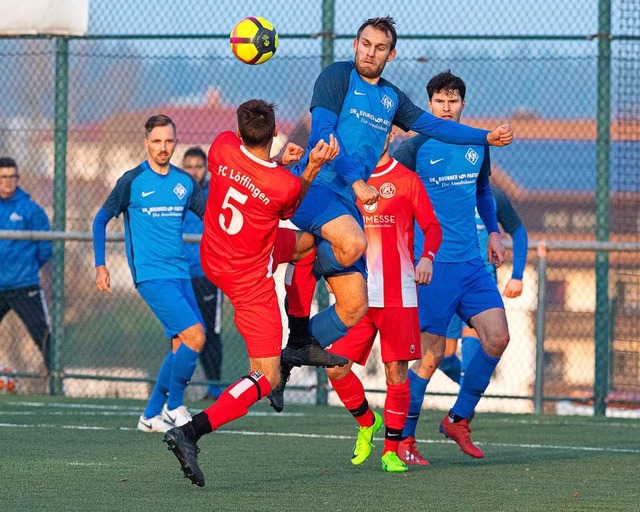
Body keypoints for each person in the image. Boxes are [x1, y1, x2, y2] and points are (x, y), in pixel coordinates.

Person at [278, 17, 513, 385]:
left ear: (392, 53)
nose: (371, 52)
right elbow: (323, 134)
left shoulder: (391, 98)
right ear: (355, 44)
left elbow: (436, 126)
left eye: (380, 47)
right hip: (317, 188)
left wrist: (486, 137)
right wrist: (357, 182)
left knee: (355, 305)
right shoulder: (337, 76)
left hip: (346, 204)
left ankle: (293, 348)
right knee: (351, 244)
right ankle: (287, 257)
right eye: (365, 44)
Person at [162, 99, 341, 487]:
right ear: (274, 132)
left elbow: (256, 179)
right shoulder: (284, 183)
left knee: (306, 245)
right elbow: (290, 198)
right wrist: (309, 165)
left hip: (215, 254)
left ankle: (298, 336)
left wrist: (279, 161)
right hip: (248, 280)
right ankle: (189, 433)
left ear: (241, 131)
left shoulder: (222, 145)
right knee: (267, 377)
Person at [394, 70, 511, 463]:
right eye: (440, 102)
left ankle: (457, 419)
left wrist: (493, 232)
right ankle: (403, 441)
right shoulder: (413, 148)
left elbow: (482, 190)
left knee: (497, 338)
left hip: (473, 265)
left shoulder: (479, 143)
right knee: (429, 357)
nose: (447, 108)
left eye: (453, 101)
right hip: (433, 266)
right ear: (429, 105)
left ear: (463, 104)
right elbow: (390, 195)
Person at [324, 131, 441, 473]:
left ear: (391, 132)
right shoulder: (345, 179)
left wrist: (427, 257)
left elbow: (432, 227)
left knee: (396, 373)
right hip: (356, 293)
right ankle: (366, 420)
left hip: (398, 293)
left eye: (382, 127)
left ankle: (391, 451)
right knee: (335, 366)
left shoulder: (407, 180)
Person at [93, 115, 206, 433]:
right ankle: (175, 406)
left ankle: (150, 415)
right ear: (146, 143)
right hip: (150, 275)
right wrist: (100, 265)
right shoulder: (131, 181)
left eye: (169, 141)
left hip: (181, 273)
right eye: (156, 141)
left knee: (179, 345)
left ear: (176, 142)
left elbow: (213, 216)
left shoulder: (185, 183)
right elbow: (100, 220)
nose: (163, 147)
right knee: (196, 336)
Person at [437, 187, 528, 387]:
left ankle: (463, 411)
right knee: (443, 356)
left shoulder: (493, 195)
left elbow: (518, 232)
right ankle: (469, 393)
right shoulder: (443, 189)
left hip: (480, 279)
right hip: (448, 278)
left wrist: (517, 276)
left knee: (471, 343)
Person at [0, 157, 52, 372]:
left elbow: (45, 248)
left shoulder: (30, 209)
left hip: (24, 285)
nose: (8, 181)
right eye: (3, 177)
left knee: (44, 337)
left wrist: (26, 269)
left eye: (13, 177)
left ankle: (56, 381)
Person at [181, 146, 225, 401]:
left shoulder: (215, 194)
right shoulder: (177, 194)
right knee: (180, 330)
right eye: (189, 166)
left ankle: (214, 386)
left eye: (198, 166)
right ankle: (175, 385)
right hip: (180, 274)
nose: (194, 171)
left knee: (210, 332)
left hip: (208, 274)